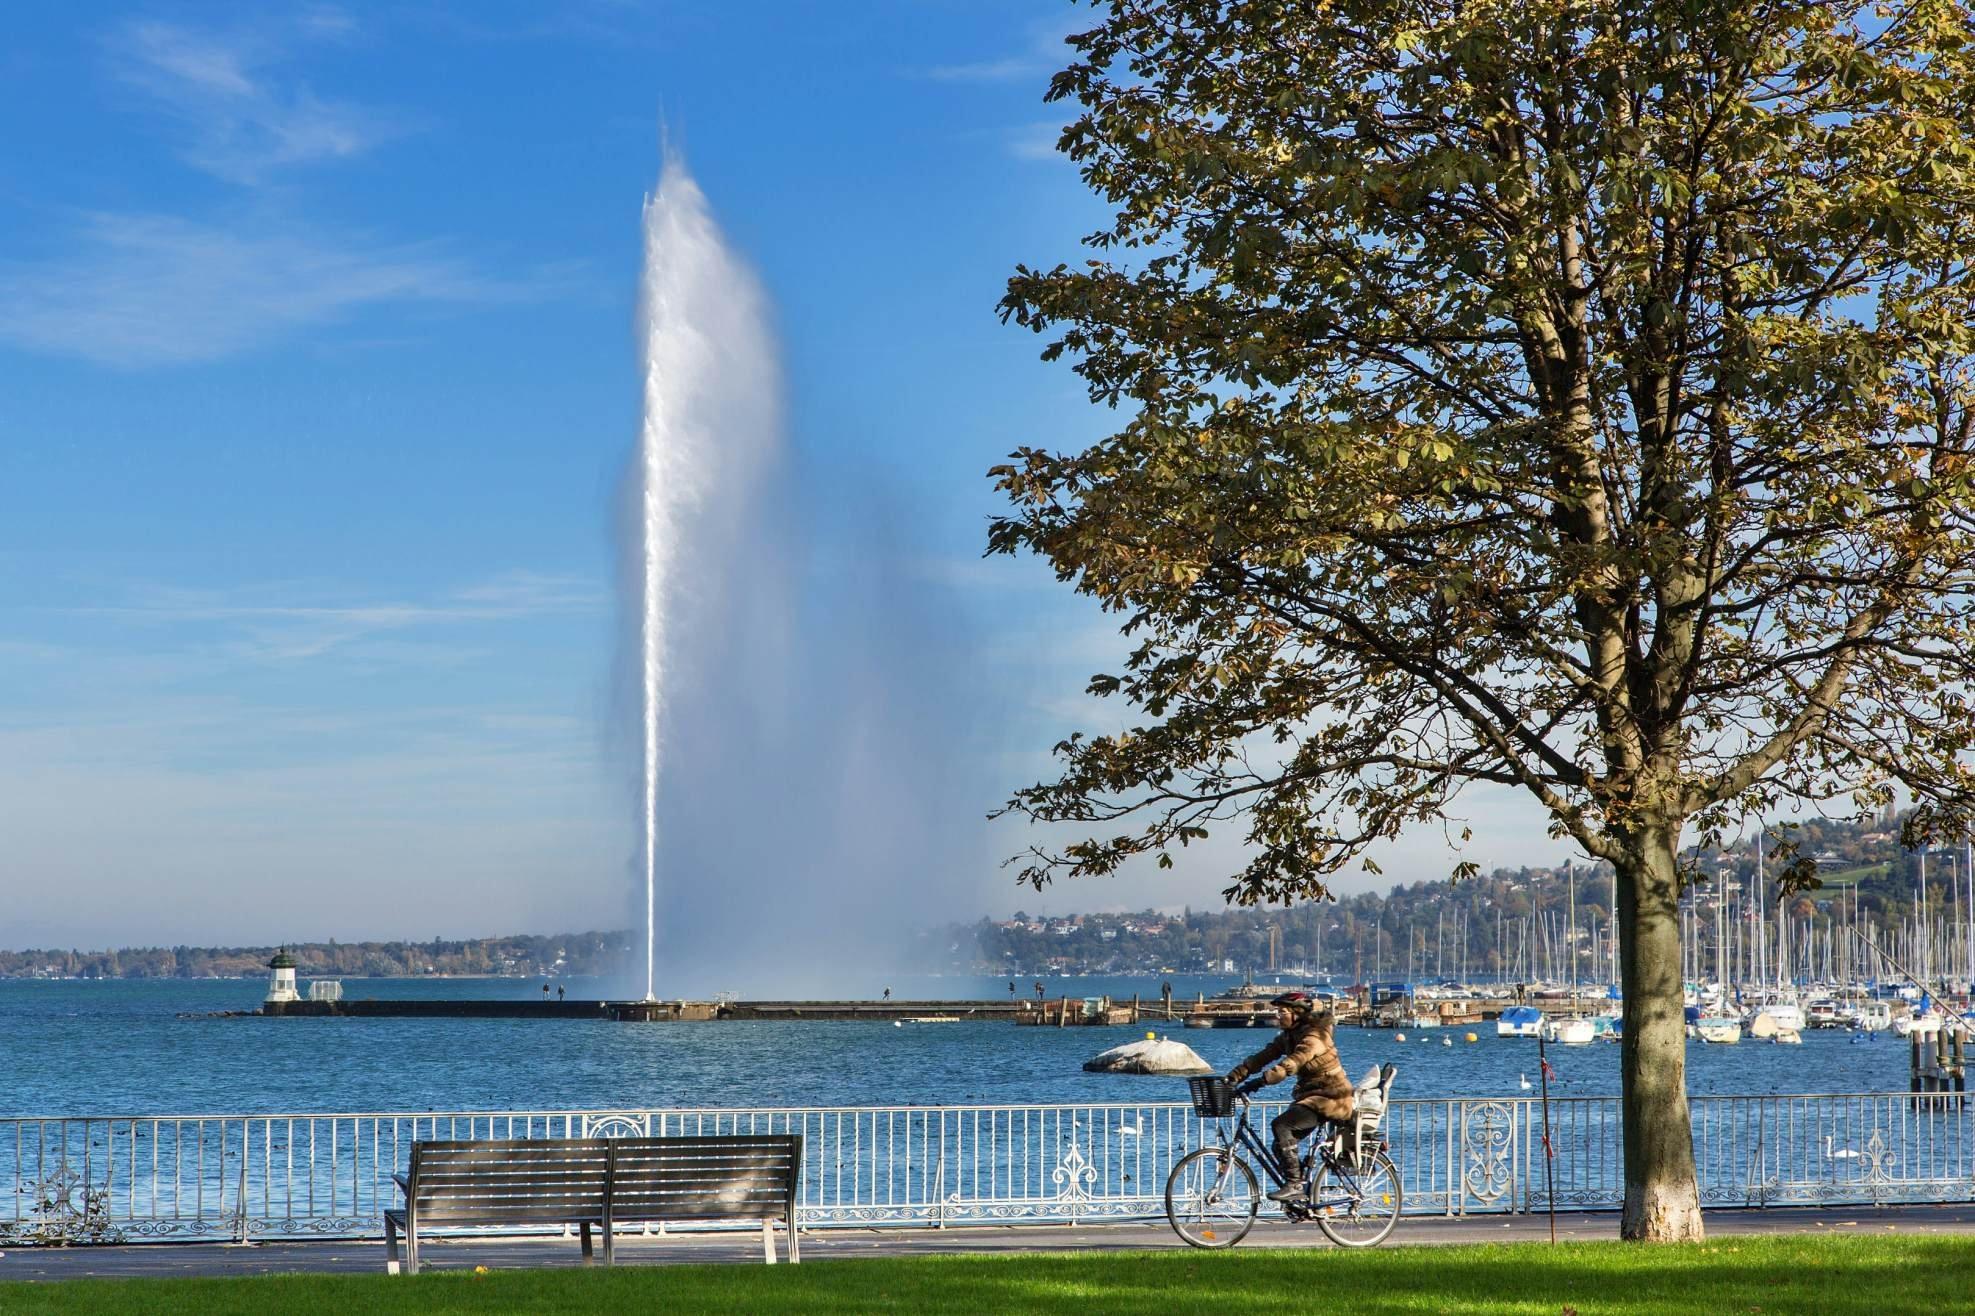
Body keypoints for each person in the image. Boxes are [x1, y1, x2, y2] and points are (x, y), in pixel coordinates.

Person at [1224, 992, 1355, 1202]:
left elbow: (1293, 1062)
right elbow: (1263, 1056)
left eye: (1282, 1012)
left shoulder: (1315, 1036)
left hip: (1332, 1098)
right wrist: (1235, 1076)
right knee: (1280, 1145)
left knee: (1281, 1125)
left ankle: (1295, 1184)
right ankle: (1301, 1190)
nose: (1278, 1016)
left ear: (1297, 1013)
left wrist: (1261, 1081)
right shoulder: (1289, 1036)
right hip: (1312, 1097)